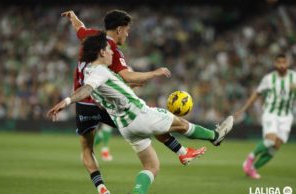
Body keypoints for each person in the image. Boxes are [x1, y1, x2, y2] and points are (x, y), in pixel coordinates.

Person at [47, 33, 234, 194]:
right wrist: (67, 101)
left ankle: (147, 184)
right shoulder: (98, 72)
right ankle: (215, 136)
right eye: (109, 49)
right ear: (102, 52)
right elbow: (86, 89)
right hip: (140, 115)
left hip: (127, 128)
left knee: (152, 166)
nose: (112, 51)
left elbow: (104, 90)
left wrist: (126, 87)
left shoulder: (91, 71)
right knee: (183, 124)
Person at [61, 10, 202, 194]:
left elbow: (79, 28)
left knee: (87, 148)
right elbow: (128, 76)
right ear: (119, 29)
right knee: (146, 120)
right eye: (127, 30)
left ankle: (101, 188)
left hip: (84, 103)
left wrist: (72, 17)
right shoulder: (114, 52)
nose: (128, 34)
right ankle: (181, 152)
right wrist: (151, 74)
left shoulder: (90, 37)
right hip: (106, 104)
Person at [234, 53, 296, 179]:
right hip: (270, 113)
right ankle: (250, 159)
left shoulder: (294, 77)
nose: (282, 65)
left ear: (288, 63)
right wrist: (243, 109)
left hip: (286, 116)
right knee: (270, 140)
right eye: (279, 62)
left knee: (275, 147)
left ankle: (252, 169)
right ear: (275, 64)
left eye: (284, 62)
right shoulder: (269, 78)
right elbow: (256, 94)